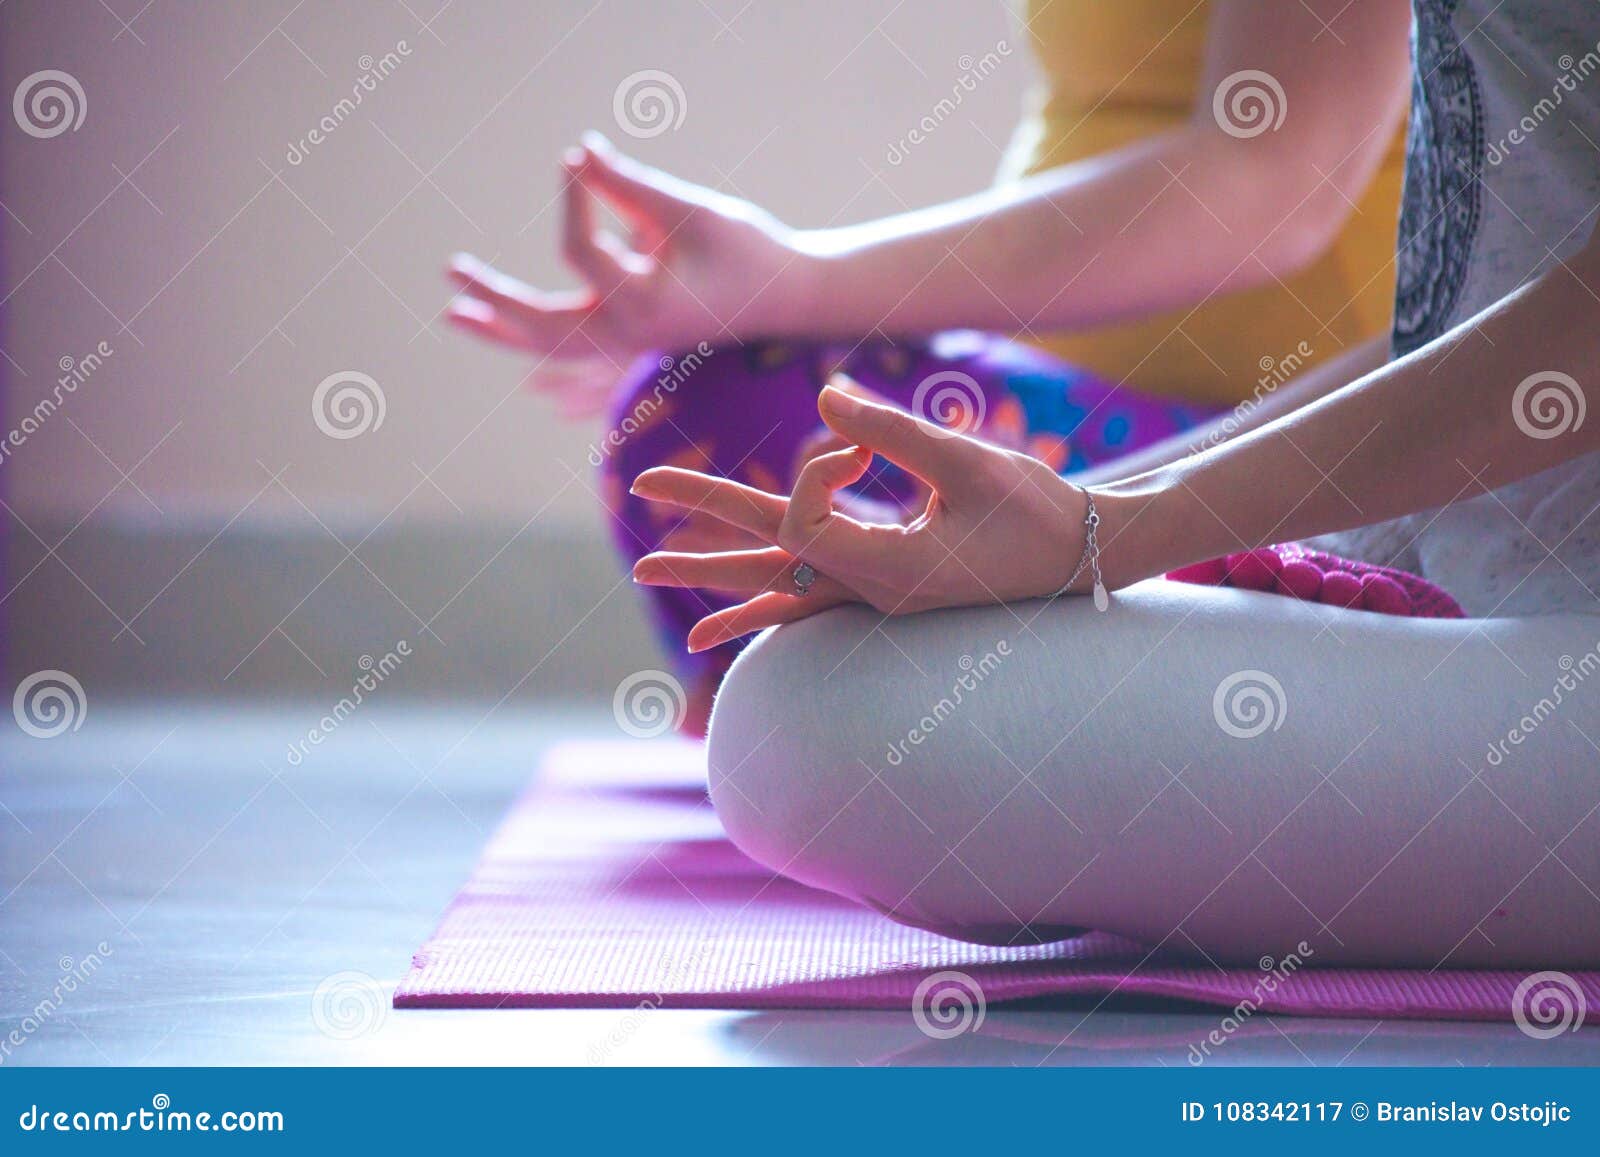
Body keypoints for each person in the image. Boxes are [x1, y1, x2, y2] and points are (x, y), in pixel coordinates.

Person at [464, 0, 1600, 966]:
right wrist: (1036, 524)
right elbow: (1440, 330)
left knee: (803, 738)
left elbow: (1290, 194)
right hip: (1448, 543)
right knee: (803, 692)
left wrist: (1107, 530)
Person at [447, 2, 1416, 732]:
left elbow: (1273, 183)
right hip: (1066, 406)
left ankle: (893, 725)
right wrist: (738, 321)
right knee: (702, 406)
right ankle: (819, 723)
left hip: (1295, 433)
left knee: (739, 405)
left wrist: (796, 283)